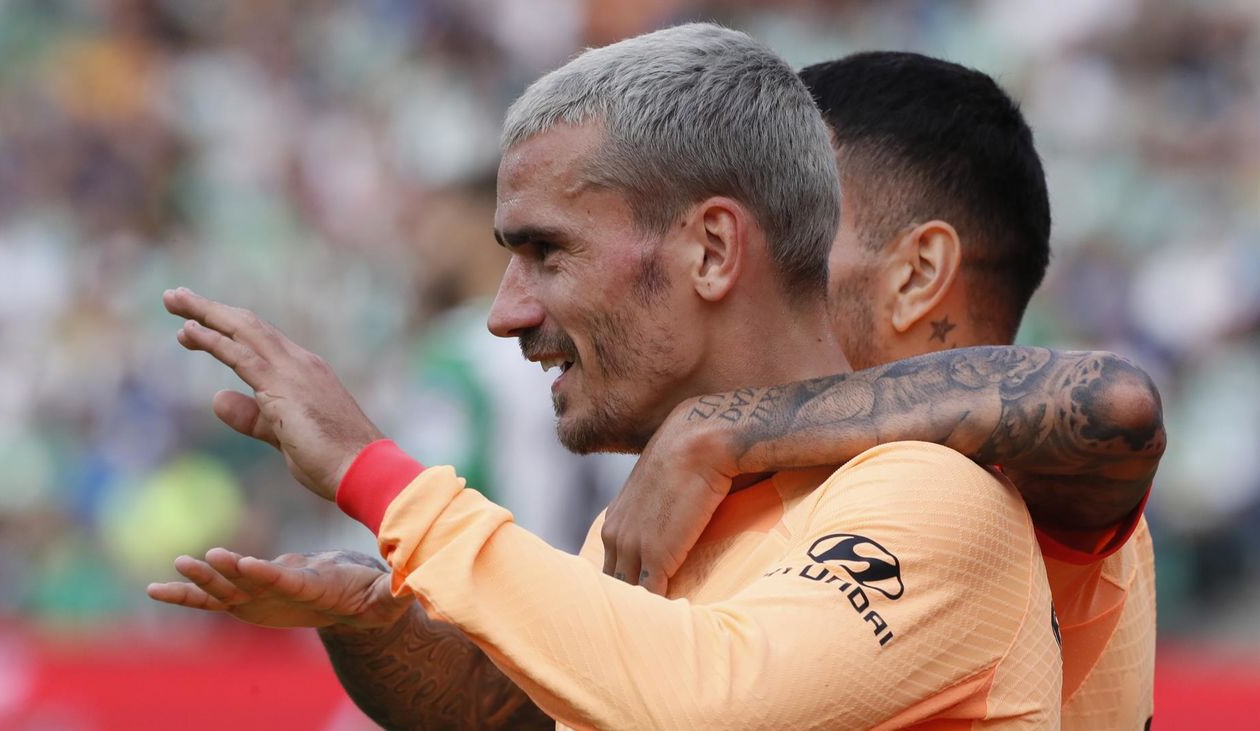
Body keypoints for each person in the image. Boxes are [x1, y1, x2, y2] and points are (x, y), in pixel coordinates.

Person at [150, 24, 1063, 729]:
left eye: (548, 252)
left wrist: (374, 475)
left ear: (711, 249)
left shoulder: (939, 497)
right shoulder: (655, 516)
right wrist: (378, 626)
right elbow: (545, 713)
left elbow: (705, 706)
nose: (505, 311)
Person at [598, 53, 1161, 730]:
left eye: (797, 234)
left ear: (917, 274)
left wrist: (720, 427)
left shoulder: (1020, 484)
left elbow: (1113, 403)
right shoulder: (818, 481)